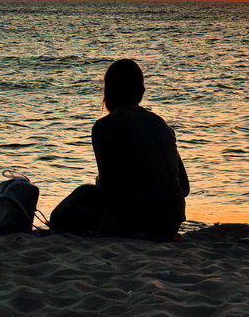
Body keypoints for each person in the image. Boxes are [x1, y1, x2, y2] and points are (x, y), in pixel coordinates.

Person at [50, 59, 189, 239]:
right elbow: (183, 187)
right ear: (142, 91)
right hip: (170, 222)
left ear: (108, 92)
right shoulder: (161, 124)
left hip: (131, 221)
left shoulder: (104, 126)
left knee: (69, 207)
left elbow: (110, 191)